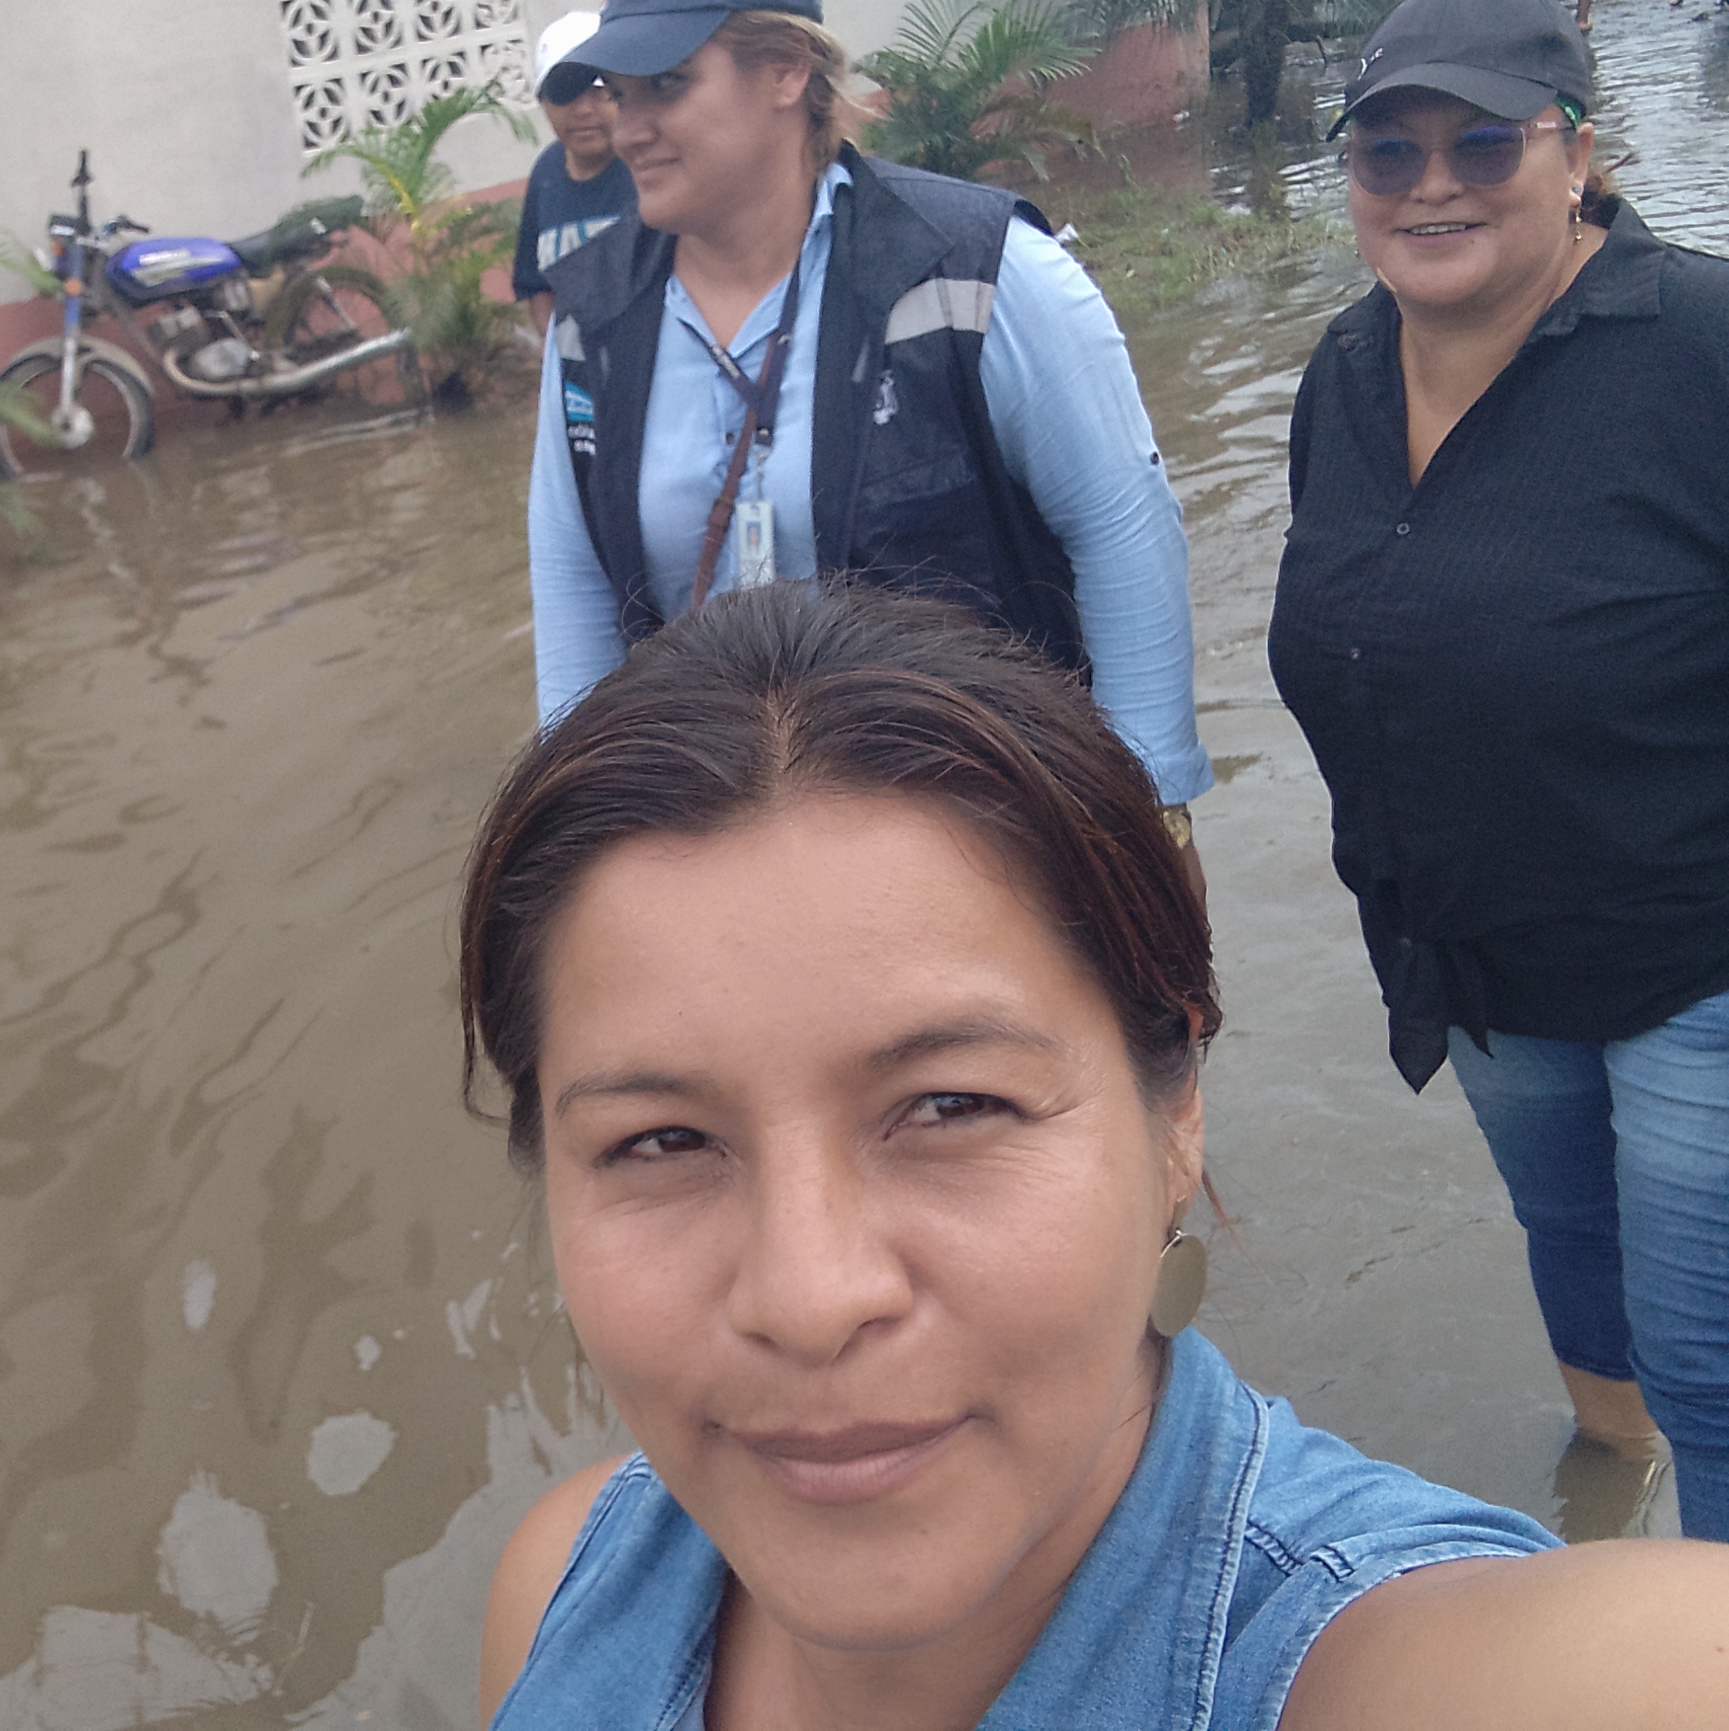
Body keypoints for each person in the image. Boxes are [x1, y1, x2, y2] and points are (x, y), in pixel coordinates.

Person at [461, 583, 1729, 1731]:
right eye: (662, 1140)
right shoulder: (564, 1585)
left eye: (950, 1106)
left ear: (1174, 1112)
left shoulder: (1432, 1673)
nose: (808, 1299)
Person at [1270, 0, 1729, 1541]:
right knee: (1572, 1250)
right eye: (1387, 151)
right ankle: (1607, 1508)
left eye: (1483, 144)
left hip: (1698, 960)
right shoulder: (1344, 371)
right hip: (1472, 952)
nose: (1433, 185)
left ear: (1577, 152)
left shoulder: (1697, 347)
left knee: (1713, 1353)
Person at [526, 0, 1212, 887]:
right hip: (720, 849)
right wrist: (580, 846)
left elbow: (1120, 526)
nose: (626, 127)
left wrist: (1149, 808)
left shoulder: (974, 268)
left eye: (666, 86)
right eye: (617, 92)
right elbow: (574, 588)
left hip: (982, 839)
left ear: (786, 71)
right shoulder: (592, 319)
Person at [512, 11, 635, 337]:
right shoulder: (546, 174)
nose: (583, 110)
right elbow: (537, 284)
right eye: (564, 93)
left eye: (598, 90)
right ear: (544, 104)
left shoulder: (649, 164)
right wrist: (557, 354)